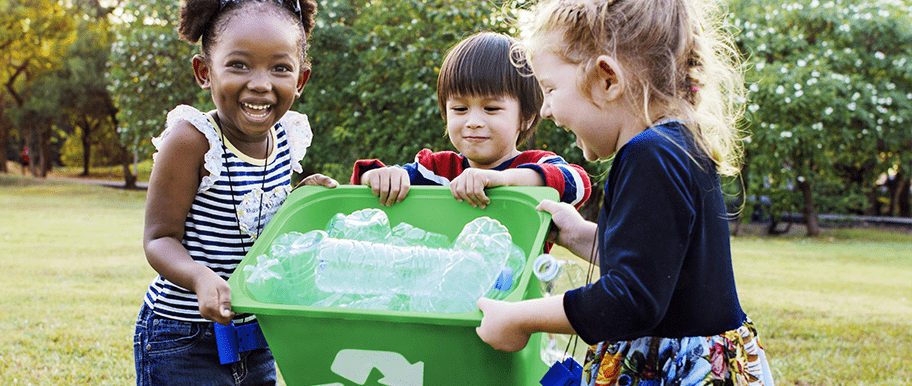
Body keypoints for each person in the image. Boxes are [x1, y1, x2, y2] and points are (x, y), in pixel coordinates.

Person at [475, 0, 776, 385]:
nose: (546, 110)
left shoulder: (648, 154)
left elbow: (631, 300)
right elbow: (658, 267)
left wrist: (519, 318)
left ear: (607, 80)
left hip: (672, 372)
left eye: (550, 89)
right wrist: (580, 235)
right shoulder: (678, 145)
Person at [134, 0, 337, 384]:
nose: (260, 83)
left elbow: (260, 222)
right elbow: (159, 239)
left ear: (301, 80)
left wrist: (301, 199)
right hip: (183, 338)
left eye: (280, 68)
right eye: (239, 65)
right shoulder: (193, 140)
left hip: (254, 333)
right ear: (204, 71)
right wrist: (199, 278)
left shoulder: (286, 137)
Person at [351, 32, 591, 210]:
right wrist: (378, 177)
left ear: (526, 117)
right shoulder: (435, 171)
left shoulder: (535, 164)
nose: (473, 121)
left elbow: (579, 183)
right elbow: (364, 183)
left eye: (491, 108)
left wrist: (503, 179)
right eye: (460, 109)